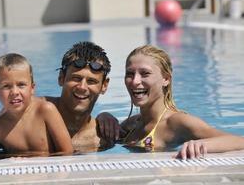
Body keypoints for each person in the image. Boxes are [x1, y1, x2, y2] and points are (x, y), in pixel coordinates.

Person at [101, 45, 244, 159]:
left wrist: (200, 144)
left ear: (166, 79)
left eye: (145, 73)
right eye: (130, 74)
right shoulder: (132, 124)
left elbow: (239, 141)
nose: (135, 81)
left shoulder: (177, 122)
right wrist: (104, 116)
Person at [0, 53, 73, 161]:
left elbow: (68, 153)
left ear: (32, 88)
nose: (14, 92)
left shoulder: (46, 111)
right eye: (6, 86)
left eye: (21, 85)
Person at [46, 41, 117, 152]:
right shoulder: (35, 116)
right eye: (76, 78)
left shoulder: (106, 136)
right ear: (61, 78)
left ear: (104, 86)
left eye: (91, 81)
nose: (82, 87)